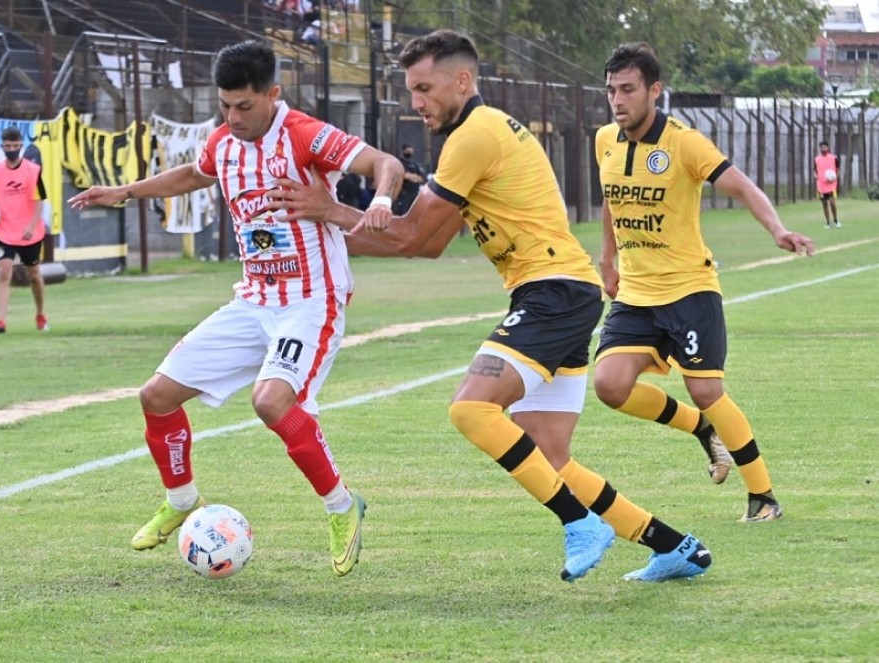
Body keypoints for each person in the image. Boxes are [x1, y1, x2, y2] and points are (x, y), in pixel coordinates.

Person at [269, 30, 714, 582]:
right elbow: (427, 242)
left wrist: (328, 212)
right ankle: (674, 546)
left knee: (470, 409)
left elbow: (412, 238)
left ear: (462, 81)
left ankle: (580, 523)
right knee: (550, 458)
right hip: (564, 291)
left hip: (552, 291)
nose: (417, 103)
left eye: (425, 89)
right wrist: (323, 231)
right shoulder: (478, 132)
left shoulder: (472, 137)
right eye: (411, 91)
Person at [68, 40, 404, 577]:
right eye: (224, 106)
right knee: (156, 395)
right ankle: (182, 502)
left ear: (273, 94)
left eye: (244, 106)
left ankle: (343, 506)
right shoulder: (223, 141)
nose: (232, 117)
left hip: (310, 302)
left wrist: (380, 201)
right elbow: (193, 174)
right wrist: (126, 191)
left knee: (270, 401)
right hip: (253, 300)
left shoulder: (303, 135)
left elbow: (384, 163)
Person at [594, 42, 815, 523]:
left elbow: (743, 186)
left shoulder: (684, 142)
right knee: (610, 386)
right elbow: (612, 199)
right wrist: (607, 260)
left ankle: (763, 497)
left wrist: (777, 229)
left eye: (627, 89)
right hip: (635, 293)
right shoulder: (604, 140)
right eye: (611, 90)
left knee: (707, 392)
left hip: (690, 290)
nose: (617, 100)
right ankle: (700, 430)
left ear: (654, 90)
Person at [0, 126, 49, 334]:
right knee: (4, 272)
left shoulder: (32, 170)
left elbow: (39, 201)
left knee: (33, 274)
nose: (11, 149)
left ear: (20, 146)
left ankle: (40, 314)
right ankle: (0, 321)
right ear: (2, 146)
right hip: (4, 232)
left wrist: (31, 226)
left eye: (15, 145)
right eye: (7, 146)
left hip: (28, 232)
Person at [394, 143, 426, 215]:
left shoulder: (414, 165)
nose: (409, 153)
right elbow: (403, 175)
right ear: (403, 151)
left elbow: (421, 178)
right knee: (403, 213)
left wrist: (412, 177)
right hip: (404, 193)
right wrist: (414, 177)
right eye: (408, 151)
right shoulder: (399, 162)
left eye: (411, 151)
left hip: (414, 193)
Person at [814, 141, 840, 228]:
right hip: (821, 185)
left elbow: (838, 169)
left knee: (832, 202)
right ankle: (828, 223)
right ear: (820, 149)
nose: (823, 149)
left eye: (825, 147)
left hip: (831, 185)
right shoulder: (817, 159)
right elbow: (815, 170)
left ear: (828, 148)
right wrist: (815, 175)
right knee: (825, 204)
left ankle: (836, 220)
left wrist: (835, 177)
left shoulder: (833, 158)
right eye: (822, 147)